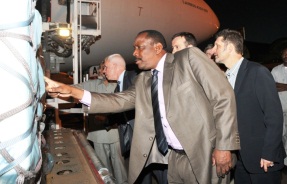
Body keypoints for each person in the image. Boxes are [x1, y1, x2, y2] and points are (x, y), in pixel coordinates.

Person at [45, 30, 240, 184]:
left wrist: (224, 146)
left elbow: (223, 97)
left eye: (138, 48)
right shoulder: (144, 80)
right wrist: (72, 92)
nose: (134, 53)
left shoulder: (188, 59)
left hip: (206, 154)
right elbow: (117, 101)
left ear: (157, 48)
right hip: (174, 158)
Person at [213, 29, 286, 184]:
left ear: (230, 48)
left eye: (217, 46)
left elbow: (274, 116)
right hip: (240, 158)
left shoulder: (257, 72)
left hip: (262, 157)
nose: (214, 51)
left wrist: (269, 153)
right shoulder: (226, 76)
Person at [73, 60, 128, 184]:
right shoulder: (92, 85)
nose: (103, 71)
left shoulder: (120, 84)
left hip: (115, 133)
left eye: (105, 68)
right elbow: (74, 88)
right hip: (98, 134)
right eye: (102, 68)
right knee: (103, 169)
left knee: (120, 168)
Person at [271, 47, 287, 171]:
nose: (286, 55)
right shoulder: (276, 70)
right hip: (280, 110)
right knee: (281, 137)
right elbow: (272, 87)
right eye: (284, 53)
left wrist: (284, 86)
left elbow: (279, 86)